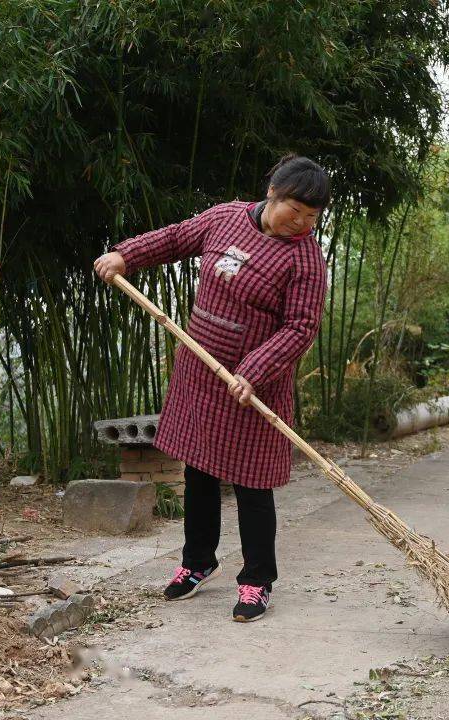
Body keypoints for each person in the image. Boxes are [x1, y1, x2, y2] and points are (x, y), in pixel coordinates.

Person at [93, 155, 329, 622]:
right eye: (294, 211)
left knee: (252, 484)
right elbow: (177, 237)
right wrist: (126, 254)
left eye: (311, 218)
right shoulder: (224, 218)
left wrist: (255, 370)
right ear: (272, 193)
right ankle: (197, 563)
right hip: (200, 371)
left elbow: (301, 326)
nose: (300, 224)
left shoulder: (306, 260)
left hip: (254, 386)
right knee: (198, 471)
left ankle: (257, 581)